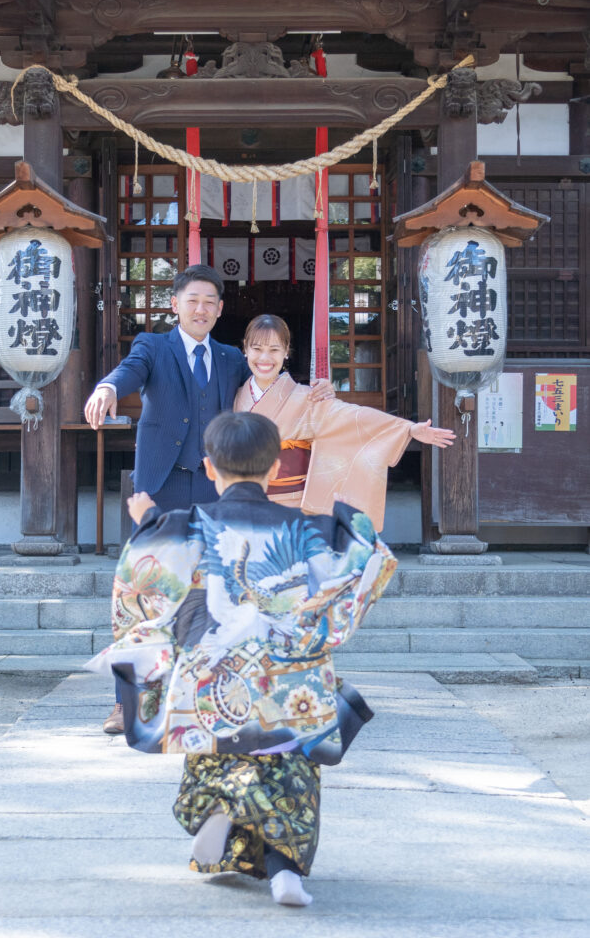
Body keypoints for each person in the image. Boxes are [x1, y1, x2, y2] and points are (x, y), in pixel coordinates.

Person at [87, 411, 396, 907]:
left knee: (217, 750)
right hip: (287, 679)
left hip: (215, 678)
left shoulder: (189, 523)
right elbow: (364, 560)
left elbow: (148, 571)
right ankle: (286, 873)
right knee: (291, 764)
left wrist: (146, 519)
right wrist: (353, 522)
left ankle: (221, 807)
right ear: (275, 468)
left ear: (210, 468)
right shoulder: (308, 528)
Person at [83, 268, 333, 733]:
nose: (201, 309)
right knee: (145, 591)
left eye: (210, 302)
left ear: (220, 310)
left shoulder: (231, 358)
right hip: (160, 487)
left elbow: (268, 382)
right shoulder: (153, 347)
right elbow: (129, 372)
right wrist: (108, 387)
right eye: (192, 300)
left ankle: (208, 692)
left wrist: (316, 390)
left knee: (214, 591)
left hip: (218, 488)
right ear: (175, 304)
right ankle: (127, 702)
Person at [234, 314, 456, 529]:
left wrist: (408, 429)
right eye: (257, 349)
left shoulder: (308, 397)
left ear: (286, 352)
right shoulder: (235, 397)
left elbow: (354, 418)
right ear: (245, 349)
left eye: (274, 350)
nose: (265, 358)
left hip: (294, 504)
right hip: (246, 502)